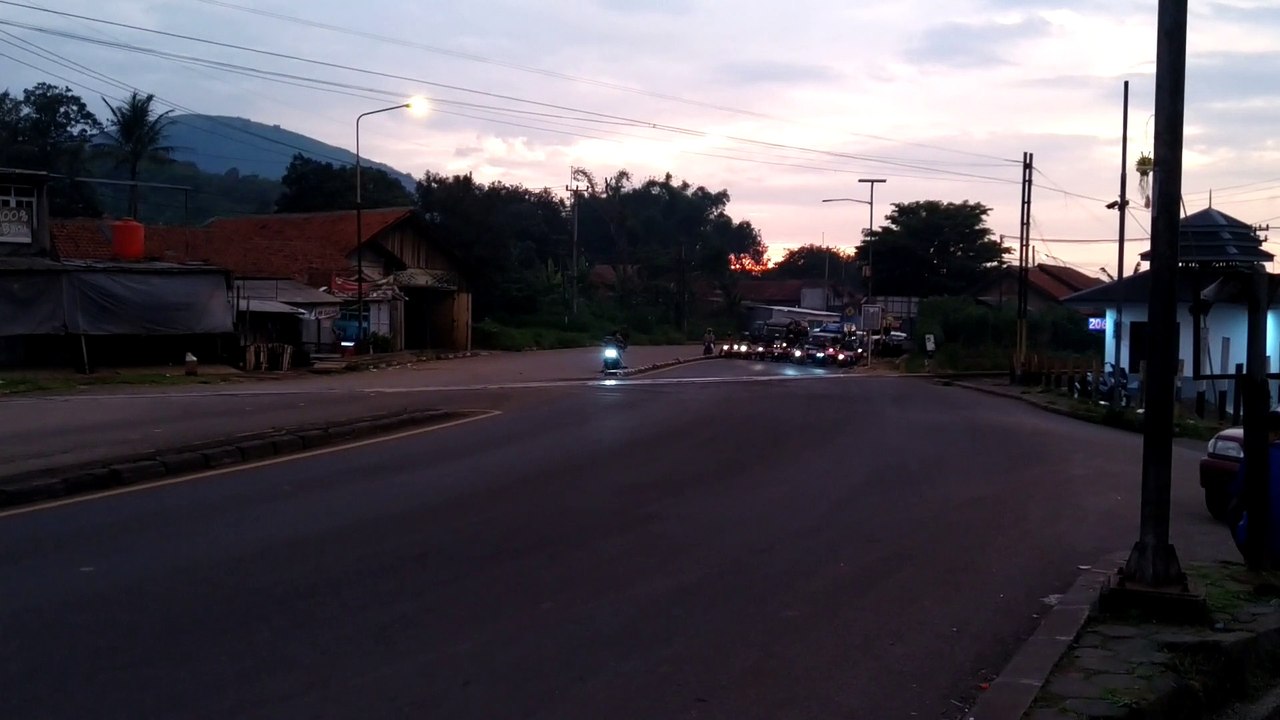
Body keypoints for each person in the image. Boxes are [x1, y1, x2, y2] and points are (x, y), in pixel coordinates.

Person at [1227, 408, 1280, 564]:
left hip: (1265, 542)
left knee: (1234, 507)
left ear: (1276, 434)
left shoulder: (1258, 457)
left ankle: (1252, 560)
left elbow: (1238, 490)